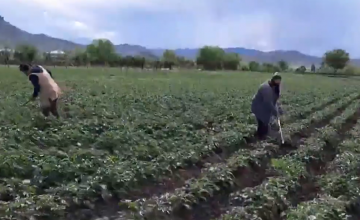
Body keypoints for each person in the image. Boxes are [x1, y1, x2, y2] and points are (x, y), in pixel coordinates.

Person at [251, 73, 283, 140]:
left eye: (279, 80)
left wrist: (278, 109)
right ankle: (260, 137)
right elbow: (268, 102)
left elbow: (274, 100)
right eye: (276, 80)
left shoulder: (275, 87)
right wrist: (275, 112)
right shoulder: (266, 88)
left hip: (264, 106)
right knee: (263, 122)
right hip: (258, 106)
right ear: (273, 79)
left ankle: (259, 134)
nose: (278, 82)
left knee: (264, 122)